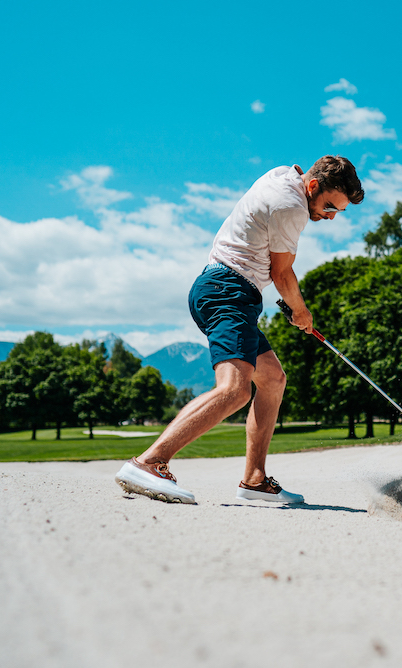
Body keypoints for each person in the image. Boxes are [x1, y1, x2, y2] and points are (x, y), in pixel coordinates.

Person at [114, 156, 365, 505]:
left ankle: (254, 481)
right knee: (234, 390)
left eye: (338, 211)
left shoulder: (284, 175)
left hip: (229, 291)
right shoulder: (291, 206)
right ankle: (149, 463)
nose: (330, 216)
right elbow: (282, 274)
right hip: (227, 290)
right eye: (328, 206)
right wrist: (301, 312)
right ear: (311, 186)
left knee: (273, 380)